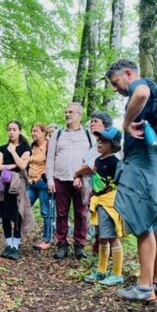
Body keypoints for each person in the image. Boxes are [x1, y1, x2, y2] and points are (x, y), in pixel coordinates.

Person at [105, 59, 157, 301]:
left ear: (129, 74)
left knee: (143, 223)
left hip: (143, 165)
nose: (115, 88)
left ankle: (144, 287)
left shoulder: (141, 85)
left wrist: (124, 123)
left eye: (116, 82)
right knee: (155, 227)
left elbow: (140, 93)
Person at [77, 127, 125, 286]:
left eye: (104, 141)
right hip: (97, 202)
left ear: (113, 144)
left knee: (112, 237)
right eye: (98, 139)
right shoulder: (98, 160)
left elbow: (119, 183)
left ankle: (117, 273)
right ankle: (101, 271)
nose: (99, 142)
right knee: (102, 238)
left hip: (109, 204)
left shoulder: (116, 162)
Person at [46, 103, 93, 260]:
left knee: (81, 213)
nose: (67, 114)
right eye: (66, 112)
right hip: (61, 179)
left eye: (71, 112)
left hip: (83, 180)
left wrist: (82, 175)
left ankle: (80, 246)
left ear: (80, 115)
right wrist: (50, 180)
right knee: (61, 213)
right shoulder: (57, 134)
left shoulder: (88, 135)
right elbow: (50, 158)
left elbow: (93, 158)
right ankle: (62, 244)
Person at [0, 121, 33, 260]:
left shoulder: (26, 148)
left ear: (20, 131)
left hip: (18, 185)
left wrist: (12, 152)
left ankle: (16, 245)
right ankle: (9, 244)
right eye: (9, 129)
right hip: (4, 184)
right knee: (5, 214)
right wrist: (12, 166)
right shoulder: (2, 148)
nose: (11, 132)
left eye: (14, 129)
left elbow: (23, 165)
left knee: (18, 213)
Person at [83, 112, 114, 254]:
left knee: (106, 226)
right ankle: (100, 254)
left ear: (105, 125)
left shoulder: (110, 144)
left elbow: (90, 166)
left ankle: (109, 257)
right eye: (91, 121)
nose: (91, 123)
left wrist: (76, 174)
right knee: (97, 223)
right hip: (95, 191)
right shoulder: (96, 143)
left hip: (107, 194)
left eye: (95, 121)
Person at [27, 124, 54, 250]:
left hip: (43, 183)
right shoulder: (32, 147)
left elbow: (52, 163)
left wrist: (47, 179)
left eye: (36, 131)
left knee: (45, 212)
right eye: (32, 131)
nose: (33, 133)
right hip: (31, 183)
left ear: (43, 133)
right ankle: (17, 236)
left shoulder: (49, 146)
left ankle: (47, 239)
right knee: (24, 208)